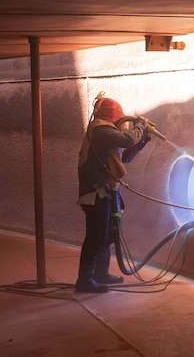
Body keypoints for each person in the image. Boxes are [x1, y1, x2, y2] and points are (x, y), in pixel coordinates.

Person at [75, 95, 151, 293]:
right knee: (95, 236)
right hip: (95, 193)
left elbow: (125, 157)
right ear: (114, 116)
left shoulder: (106, 133)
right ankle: (84, 280)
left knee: (108, 234)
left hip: (106, 191)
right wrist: (140, 125)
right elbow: (127, 139)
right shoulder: (100, 128)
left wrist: (143, 139)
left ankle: (101, 273)